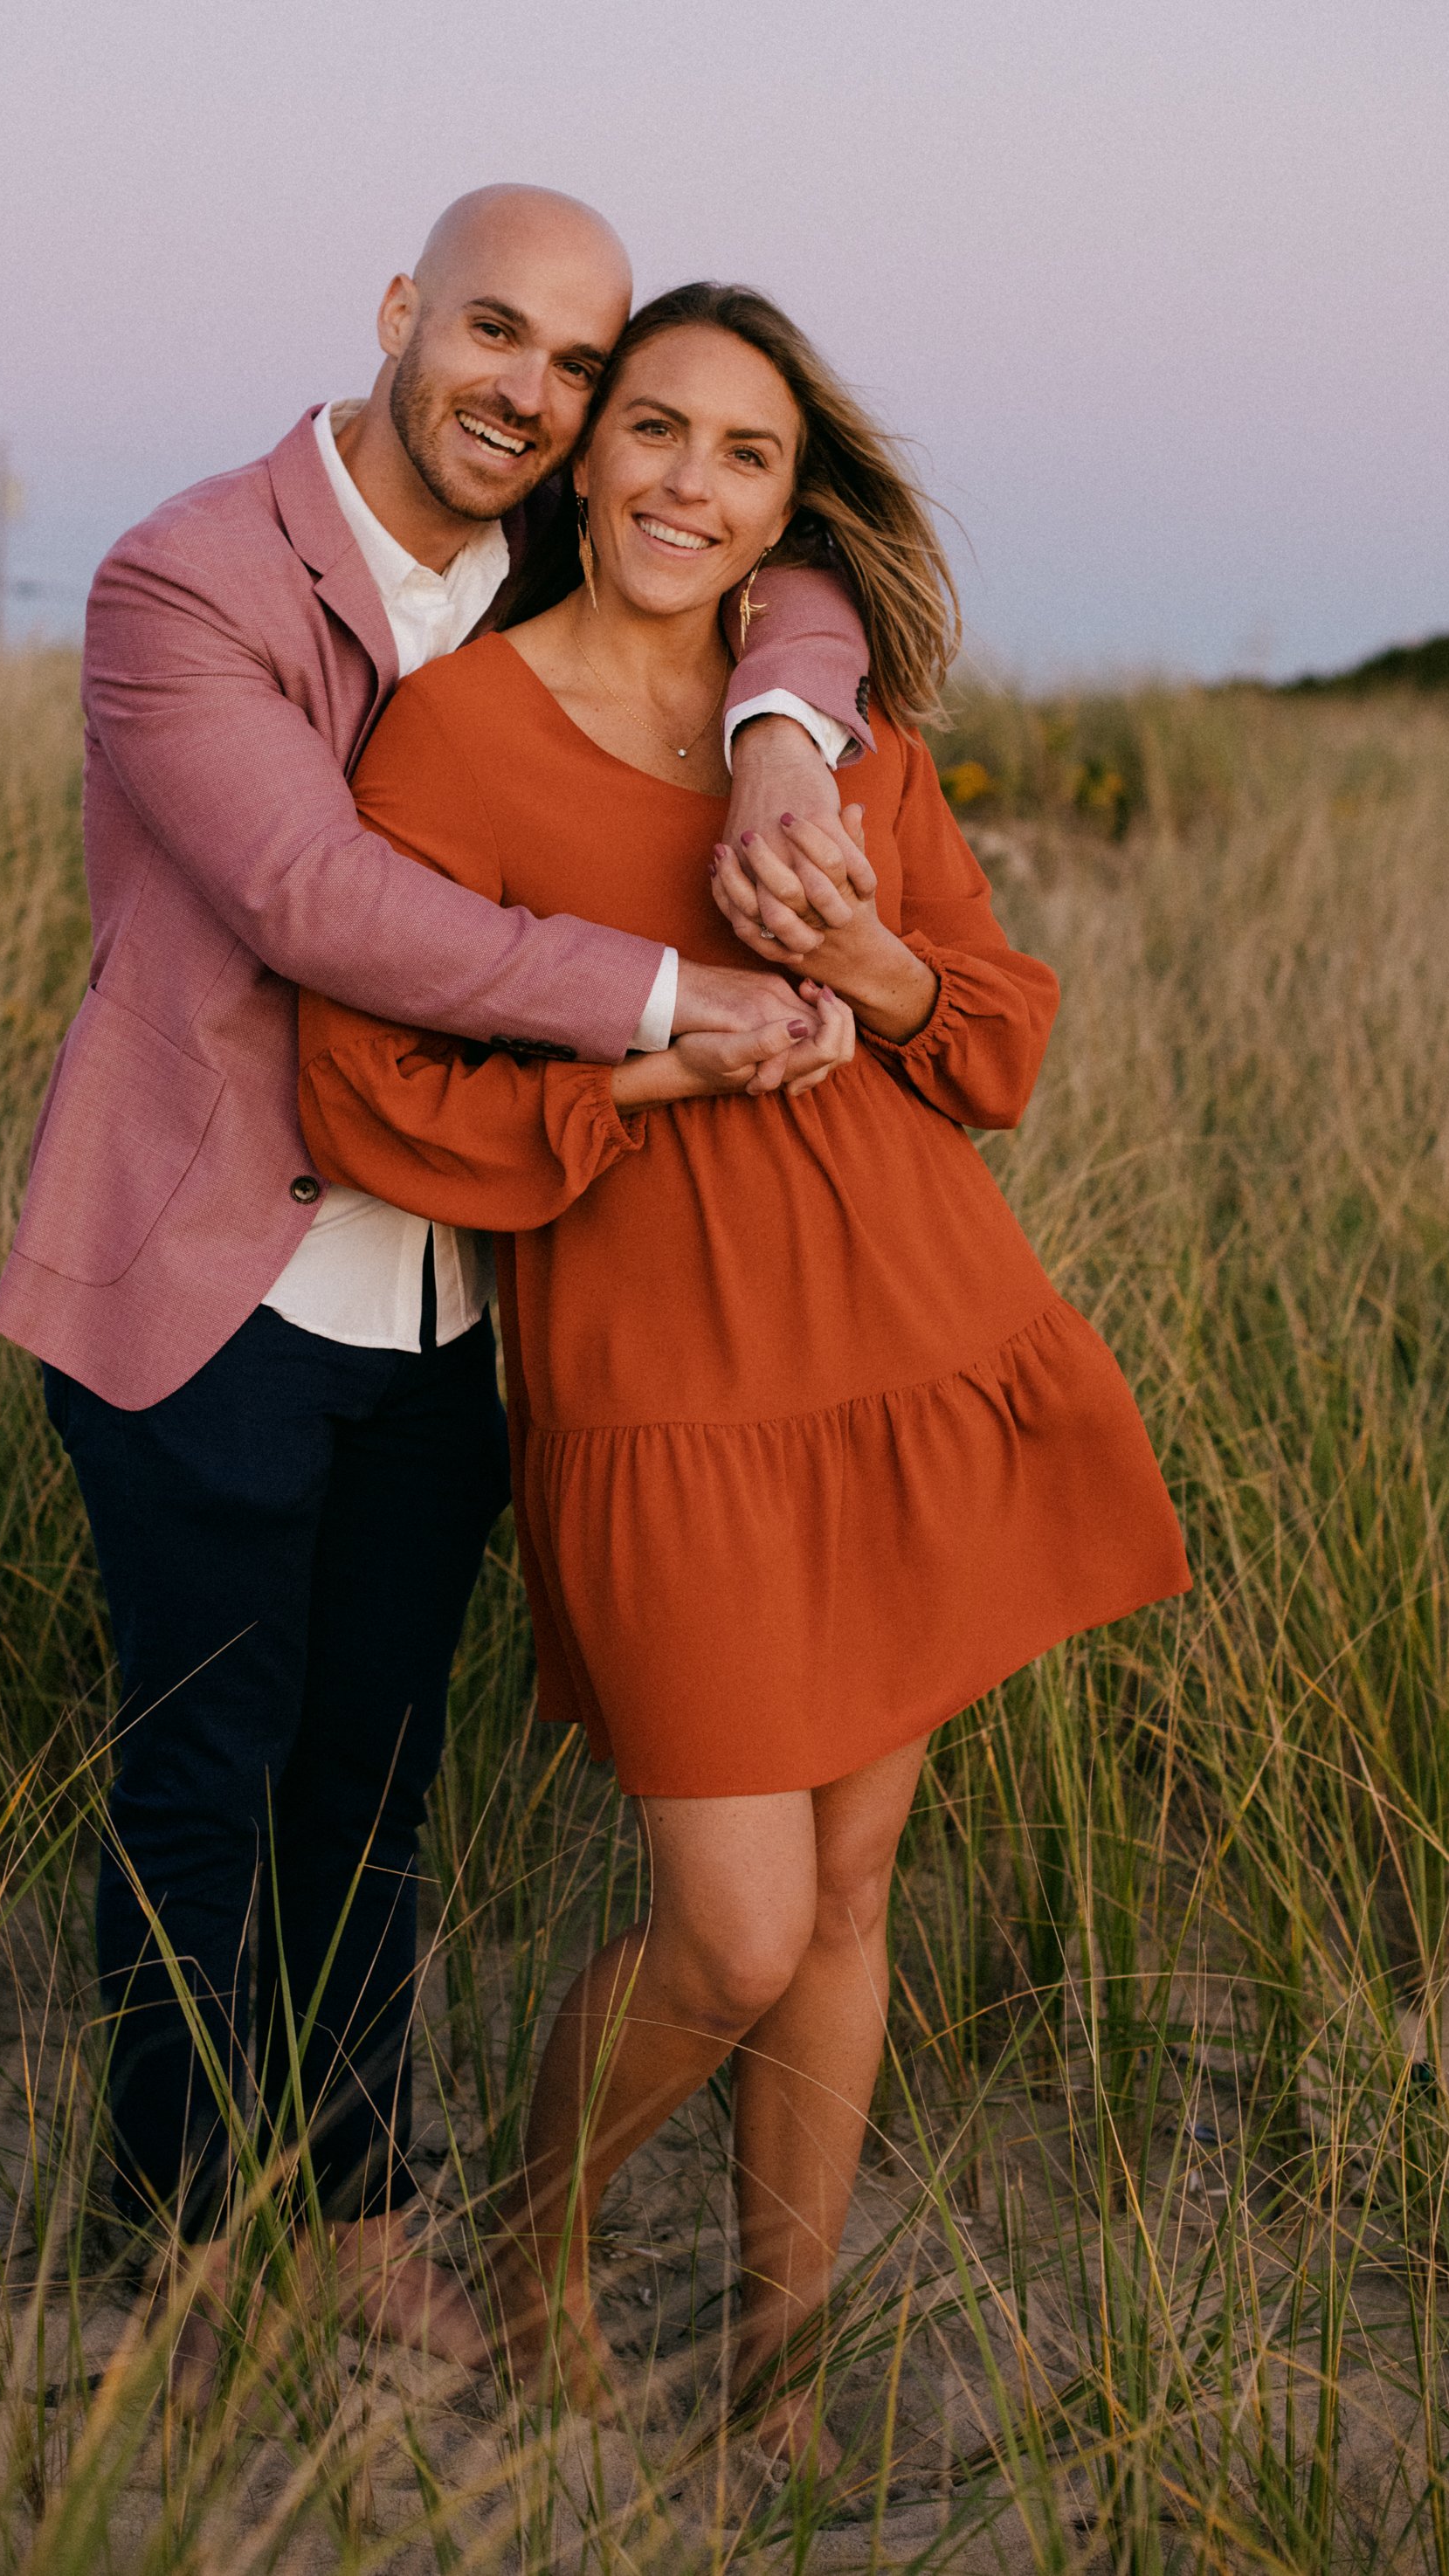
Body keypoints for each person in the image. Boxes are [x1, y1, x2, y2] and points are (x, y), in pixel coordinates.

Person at [297, 280, 1192, 2462]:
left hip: (908, 1334)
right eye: (658, 433)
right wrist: (660, 1067)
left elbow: (986, 1040)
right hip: (662, 1387)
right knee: (731, 1922)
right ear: (586, 454)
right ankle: (538, 2247)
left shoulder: (831, 719)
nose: (691, 485)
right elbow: (370, 1093)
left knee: (859, 1881)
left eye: (746, 455)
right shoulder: (458, 735)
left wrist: (863, 953)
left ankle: (776, 2377)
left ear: (790, 501)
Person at [0, 190, 879, 2380]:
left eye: (578, 369)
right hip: (212, 1275)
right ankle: (175, 2227)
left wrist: (785, 727)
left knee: (373, 1777)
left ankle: (358, 2198)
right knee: (210, 1768)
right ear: (401, 317)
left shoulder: (565, 558)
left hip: (464, 1296)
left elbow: (793, 582)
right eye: (499, 334)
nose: (536, 392)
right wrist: (672, 992)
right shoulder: (185, 577)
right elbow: (321, 901)